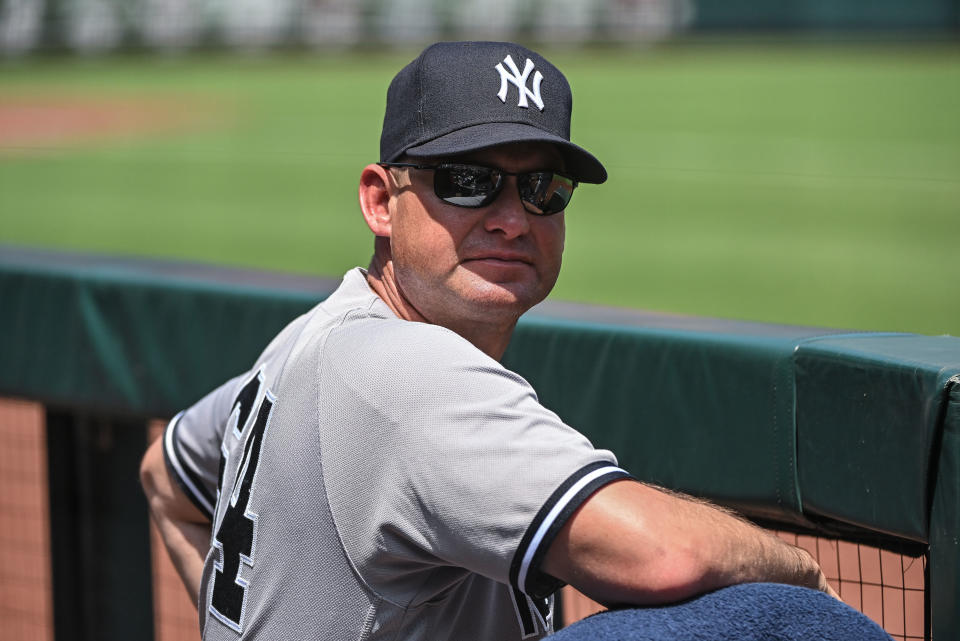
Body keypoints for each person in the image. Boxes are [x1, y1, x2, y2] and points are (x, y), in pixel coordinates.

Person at [140, 41, 891, 640]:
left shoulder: (313, 343)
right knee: (783, 620)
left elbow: (164, 477)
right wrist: (800, 572)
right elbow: (663, 554)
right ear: (380, 200)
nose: (511, 217)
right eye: (467, 180)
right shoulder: (404, 371)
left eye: (543, 189)